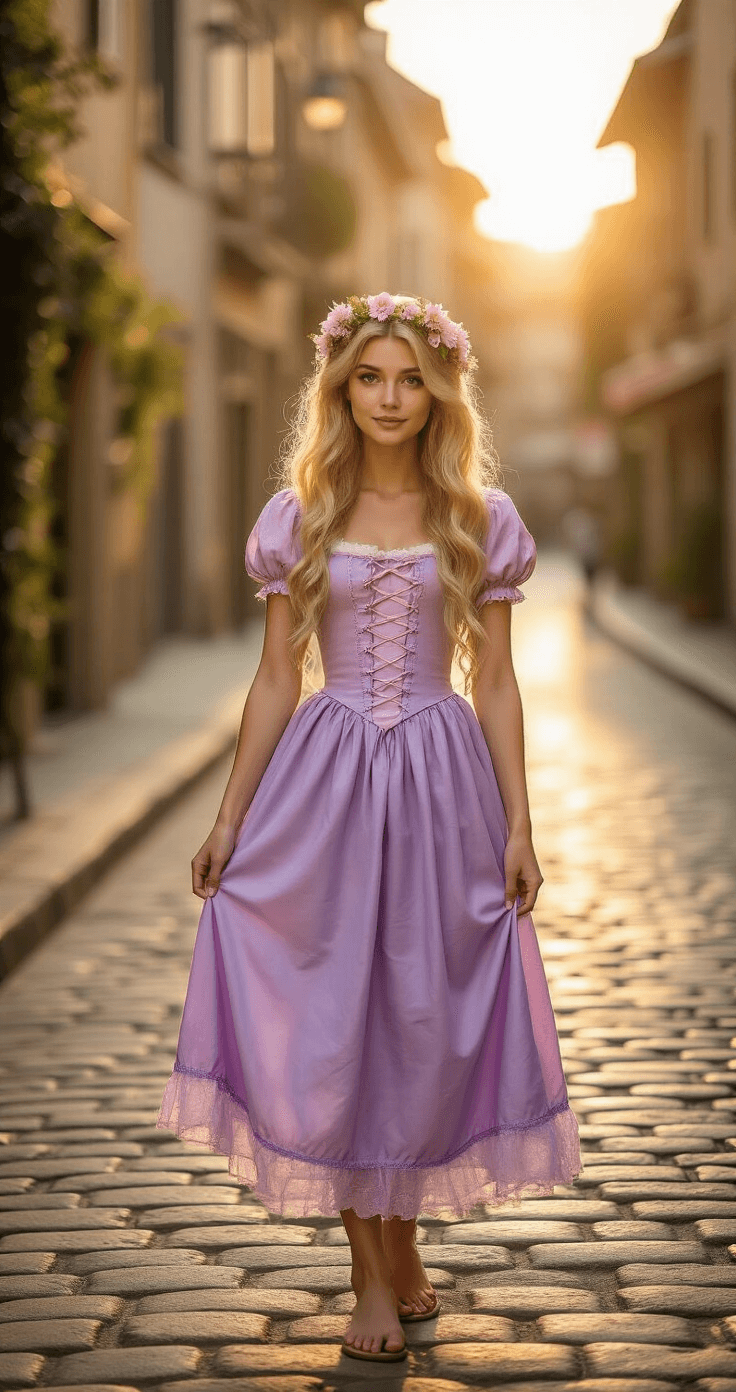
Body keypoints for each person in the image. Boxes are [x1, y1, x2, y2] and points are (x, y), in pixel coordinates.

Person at [157, 292, 581, 1364]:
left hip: (442, 786)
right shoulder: (300, 513)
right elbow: (274, 677)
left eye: (409, 381)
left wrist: (520, 824)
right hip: (327, 784)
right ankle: (369, 1275)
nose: (389, 399)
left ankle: (403, 1237)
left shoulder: (478, 516)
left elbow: (495, 681)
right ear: (340, 391)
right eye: (368, 379)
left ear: (439, 393)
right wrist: (228, 818)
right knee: (336, 1019)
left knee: (422, 1018)